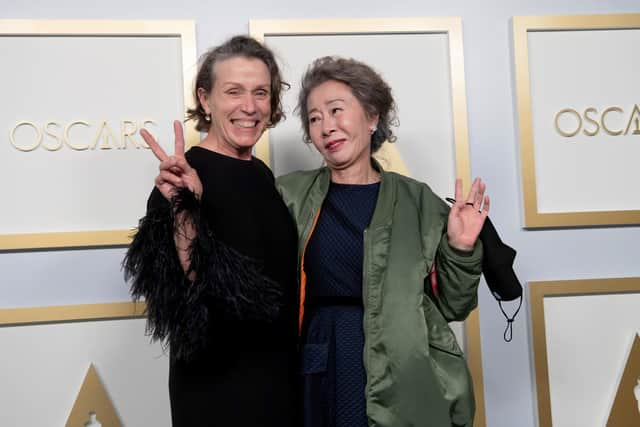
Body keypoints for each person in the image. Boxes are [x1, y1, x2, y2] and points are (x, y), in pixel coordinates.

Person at [276, 56, 489, 427]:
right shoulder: (290, 194)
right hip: (321, 361)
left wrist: (461, 248)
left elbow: (454, 305)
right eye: (314, 118)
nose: (326, 126)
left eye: (336, 110)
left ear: (372, 116)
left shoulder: (418, 201)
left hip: (403, 369)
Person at [123, 36, 299, 427]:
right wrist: (187, 211)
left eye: (260, 93)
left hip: (279, 381)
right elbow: (182, 301)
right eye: (233, 92)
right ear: (205, 99)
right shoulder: (179, 181)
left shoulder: (262, 175)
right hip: (216, 390)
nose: (249, 107)